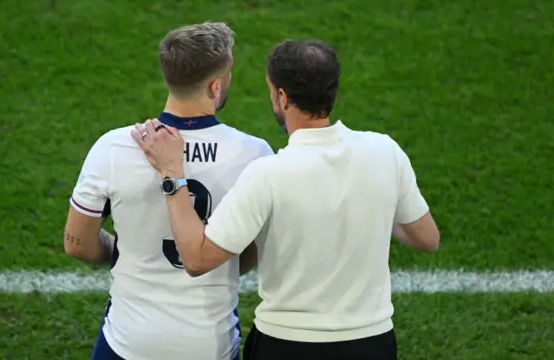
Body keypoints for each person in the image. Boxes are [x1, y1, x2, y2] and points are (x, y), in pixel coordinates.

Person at [131, 39, 440, 360]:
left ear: (282, 96)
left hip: (286, 345)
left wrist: (171, 173)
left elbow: (196, 259)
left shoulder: (267, 174)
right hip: (371, 344)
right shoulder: (384, 152)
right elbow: (427, 238)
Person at [63, 22, 273, 360]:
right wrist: (220, 260)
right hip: (210, 346)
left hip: (128, 342)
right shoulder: (255, 154)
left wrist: (123, 252)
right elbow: (258, 249)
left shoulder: (114, 148)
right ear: (215, 86)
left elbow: (78, 244)